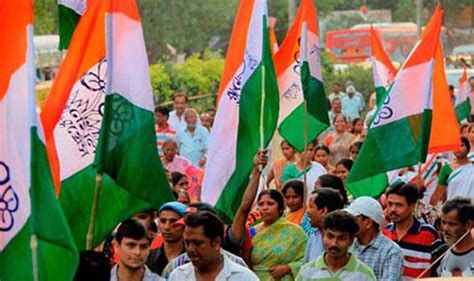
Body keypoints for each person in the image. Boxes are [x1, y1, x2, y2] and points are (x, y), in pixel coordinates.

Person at [168, 211, 259, 281]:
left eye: (198, 243)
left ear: (216, 243)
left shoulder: (243, 277)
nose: (190, 249)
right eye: (187, 243)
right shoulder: (178, 276)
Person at [383, 183, 443, 279]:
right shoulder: (386, 232)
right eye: (390, 204)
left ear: (412, 206)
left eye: (399, 205)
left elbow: (439, 267)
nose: (392, 209)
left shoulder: (429, 234)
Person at [297, 210, 376, 281]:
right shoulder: (307, 272)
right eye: (330, 236)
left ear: (351, 240)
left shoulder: (364, 275)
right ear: (323, 235)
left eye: (342, 238)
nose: (334, 244)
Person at [251, 189, 307, 280]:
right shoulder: (252, 231)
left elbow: (308, 260)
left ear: (280, 208)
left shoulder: (295, 231)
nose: (265, 208)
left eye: (270, 203)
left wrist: (289, 268)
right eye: (261, 204)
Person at [346, 197, 404, 281]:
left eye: (353, 219)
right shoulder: (349, 245)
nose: (348, 223)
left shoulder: (391, 252)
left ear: (368, 222)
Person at [304, 188, 344, 263]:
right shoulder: (314, 237)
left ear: (323, 211)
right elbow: (305, 268)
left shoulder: (345, 238)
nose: (307, 211)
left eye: (310, 207)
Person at [430, 137, 474, 205]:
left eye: (462, 145)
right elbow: (438, 193)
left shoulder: (472, 166)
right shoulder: (446, 169)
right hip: (453, 209)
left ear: (468, 148)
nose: (458, 149)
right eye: (455, 146)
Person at [147, 202, 187, 276]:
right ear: (158, 224)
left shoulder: (192, 257)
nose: (167, 227)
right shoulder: (148, 257)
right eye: (163, 221)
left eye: (173, 221)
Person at [438, 197, 474, 277]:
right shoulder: (442, 253)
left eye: (452, 224)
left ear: (469, 225)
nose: (445, 228)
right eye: (443, 222)